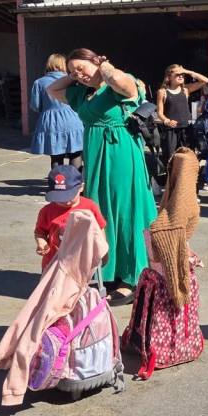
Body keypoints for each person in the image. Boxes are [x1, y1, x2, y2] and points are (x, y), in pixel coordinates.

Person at [47, 49, 157, 305]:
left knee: (125, 211)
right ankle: (109, 271)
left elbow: (121, 82)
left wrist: (103, 67)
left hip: (121, 153)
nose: (78, 74)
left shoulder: (118, 83)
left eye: (81, 67)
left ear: (96, 62)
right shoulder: (81, 92)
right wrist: (75, 75)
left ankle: (132, 277)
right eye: (72, 71)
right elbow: (52, 90)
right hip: (96, 156)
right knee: (101, 211)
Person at [34, 165, 106, 270]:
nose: (66, 201)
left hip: (82, 262)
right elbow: (40, 232)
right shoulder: (46, 211)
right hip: (54, 262)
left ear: (81, 187)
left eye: (69, 196)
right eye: (60, 198)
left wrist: (103, 250)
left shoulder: (90, 206)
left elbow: (99, 229)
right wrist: (41, 242)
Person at [29, 53, 84, 170]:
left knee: (56, 156)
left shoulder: (39, 82)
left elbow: (35, 106)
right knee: (75, 154)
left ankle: (58, 180)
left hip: (51, 122)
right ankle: (76, 180)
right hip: (73, 120)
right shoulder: (72, 80)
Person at [156, 64, 208, 166]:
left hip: (186, 129)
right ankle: (171, 176)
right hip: (171, 130)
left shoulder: (185, 89)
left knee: (187, 158)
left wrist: (187, 71)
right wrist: (166, 121)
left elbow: (205, 80)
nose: (181, 76)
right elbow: (159, 113)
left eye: (182, 74)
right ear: (169, 77)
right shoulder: (162, 92)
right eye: (177, 74)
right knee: (170, 159)